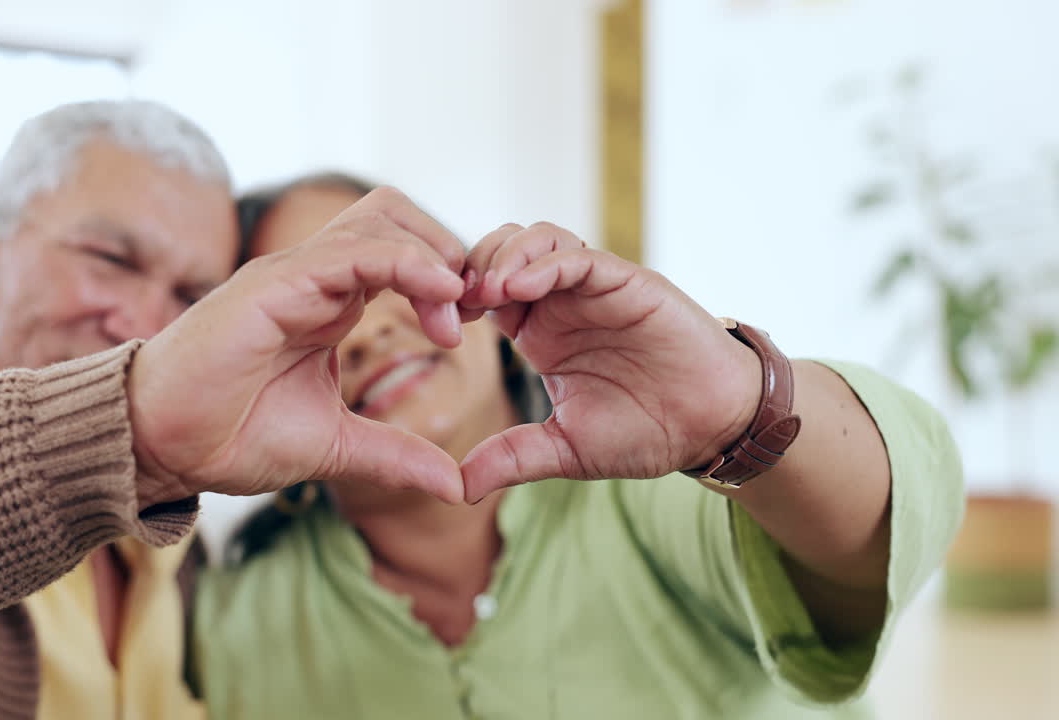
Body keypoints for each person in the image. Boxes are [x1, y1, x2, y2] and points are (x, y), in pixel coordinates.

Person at [0, 108, 472, 720]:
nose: (147, 323)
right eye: (110, 259)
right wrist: (124, 427)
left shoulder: (181, 545)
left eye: (192, 295)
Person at [190, 173, 965, 719]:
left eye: (374, 273)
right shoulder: (234, 621)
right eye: (316, 309)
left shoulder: (661, 486)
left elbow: (881, 544)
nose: (366, 331)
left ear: (473, 287)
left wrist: (738, 408)